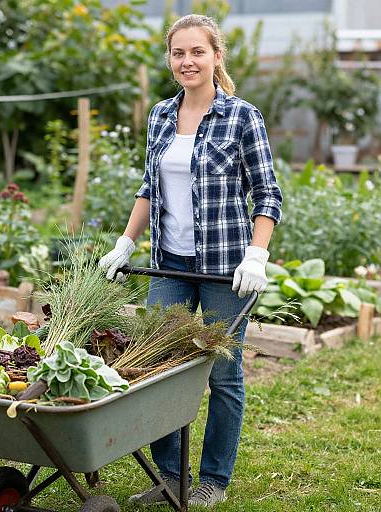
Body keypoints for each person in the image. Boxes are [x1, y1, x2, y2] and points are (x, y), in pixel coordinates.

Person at [99, 14, 282, 509]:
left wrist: (257, 254)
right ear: (170, 59)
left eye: (197, 52)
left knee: (223, 374)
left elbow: (267, 194)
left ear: (216, 56)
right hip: (169, 266)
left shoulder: (242, 116)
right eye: (178, 53)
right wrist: (125, 243)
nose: (188, 62)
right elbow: (148, 188)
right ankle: (170, 478)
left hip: (227, 268)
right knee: (157, 367)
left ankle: (213, 481)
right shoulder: (161, 114)